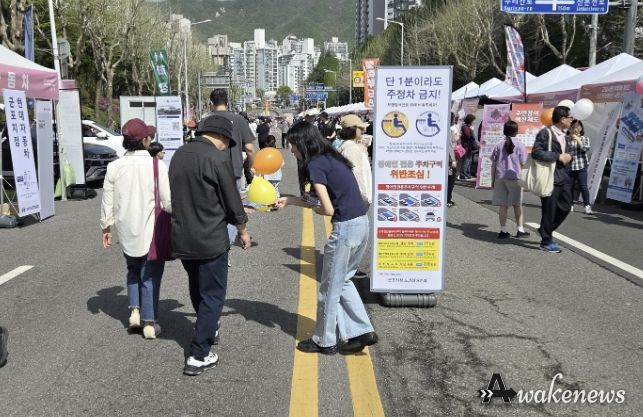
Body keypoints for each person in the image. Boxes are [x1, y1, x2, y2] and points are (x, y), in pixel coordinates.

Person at [275, 121, 377, 355]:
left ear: (302, 143)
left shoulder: (315, 165)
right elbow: (327, 201)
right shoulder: (331, 157)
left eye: (292, 145)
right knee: (344, 281)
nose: (291, 150)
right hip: (361, 224)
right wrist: (290, 201)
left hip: (345, 230)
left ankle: (324, 340)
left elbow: (327, 209)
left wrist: (314, 207)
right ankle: (362, 330)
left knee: (329, 288)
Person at [169, 115, 251, 376]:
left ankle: (208, 327)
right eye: (228, 143)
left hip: (183, 235)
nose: (227, 147)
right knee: (213, 294)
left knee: (197, 286)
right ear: (222, 137)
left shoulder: (179, 155)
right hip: (211, 236)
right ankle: (198, 354)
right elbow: (232, 201)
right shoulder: (217, 158)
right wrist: (243, 229)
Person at [100, 118, 171, 339]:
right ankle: (149, 323)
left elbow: (107, 200)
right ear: (145, 140)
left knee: (132, 269)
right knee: (149, 275)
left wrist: (106, 227)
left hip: (125, 228)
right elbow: (168, 202)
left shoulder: (114, 166)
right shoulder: (157, 165)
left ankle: (134, 312)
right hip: (150, 229)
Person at [206, 88, 256, 246]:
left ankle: (214, 242)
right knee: (233, 207)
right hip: (233, 170)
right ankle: (225, 245)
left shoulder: (206, 120)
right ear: (227, 103)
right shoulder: (239, 119)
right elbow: (249, 148)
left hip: (209, 171)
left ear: (211, 103)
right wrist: (251, 167)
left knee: (213, 208)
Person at [532, 106, 574, 253]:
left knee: (566, 207)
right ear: (562, 119)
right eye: (570, 117)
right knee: (549, 210)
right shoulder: (546, 133)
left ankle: (545, 229)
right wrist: (557, 157)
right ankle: (546, 240)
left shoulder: (565, 135)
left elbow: (568, 153)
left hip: (564, 176)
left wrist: (569, 156)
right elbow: (536, 152)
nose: (571, 120)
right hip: (550, 177)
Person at [490, 120, 529, 238]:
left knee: (503, 205)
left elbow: (493, 164)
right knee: (517, 205)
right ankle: (520, 229)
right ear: (516, 131)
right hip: (515, 178)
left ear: (504, 131)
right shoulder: (520, 145)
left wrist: (492, 180)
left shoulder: (498, 145)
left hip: (500, 178)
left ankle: (503, 230)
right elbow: (523, 163)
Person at [337, 114, 372, 207]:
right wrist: (364, 198)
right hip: (356, 201)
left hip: (352, 199)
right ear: (353, 129)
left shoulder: (349, 145)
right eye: (360, 128)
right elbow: (357, 174)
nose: (363, 130)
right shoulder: (351, 148)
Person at [567, 119, 592, 214]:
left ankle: (587, 205)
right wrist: (570, 138)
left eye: (577, 127)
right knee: (570, 186)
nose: (575, 129)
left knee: (583, 186)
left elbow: (585, 149)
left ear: (581, 128)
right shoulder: (567, 139)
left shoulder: (584, 138)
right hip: (570, 166)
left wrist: (577, 139)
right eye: (573, 127)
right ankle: (570, 205)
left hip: (581, 165)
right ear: (570, 128)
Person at [460, 114, 477, 179]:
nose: (474, 122)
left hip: (469, 146)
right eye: (473, 120)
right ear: (470, 120)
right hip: (466, 146)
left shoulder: (468, 127)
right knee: (466, 160)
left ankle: (467, 173)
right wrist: (471, 130)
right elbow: (468, 136)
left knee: (469, 160)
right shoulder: (465, 127)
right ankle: (463, 174)